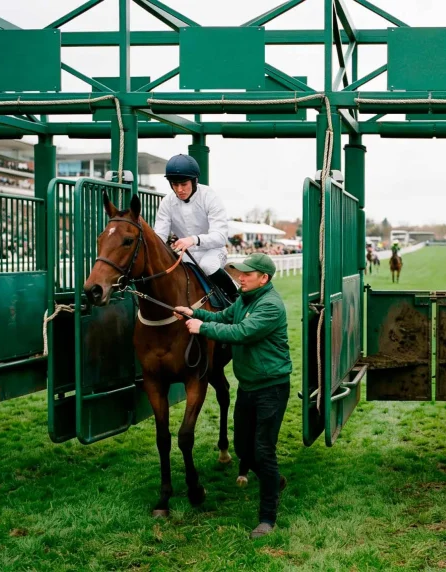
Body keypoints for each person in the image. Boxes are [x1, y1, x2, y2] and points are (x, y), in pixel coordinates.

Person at [175, 253, 292, 539]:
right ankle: (273, 480)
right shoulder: (244, 300)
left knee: (263, 451)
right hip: (248, 387)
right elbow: (223, 316)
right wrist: (194, 313)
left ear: (263, 278)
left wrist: (203, 328)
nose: (240, 277)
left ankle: (267, 518)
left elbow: (241, 332)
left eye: (247, 274)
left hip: (271, 389)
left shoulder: (270, 306)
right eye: (239, 272)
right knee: (242, 448)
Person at [153, 154, 238, 301]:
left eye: (184, 184)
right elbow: (159, 236)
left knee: (207, 266)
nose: (179, 190)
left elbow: (221, 236)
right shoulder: (167, 202)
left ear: (194, 181)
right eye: (175, 184)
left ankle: (235, 299)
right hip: (185, 253)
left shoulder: (210, 196)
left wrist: (193, 240)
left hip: (213, 250)